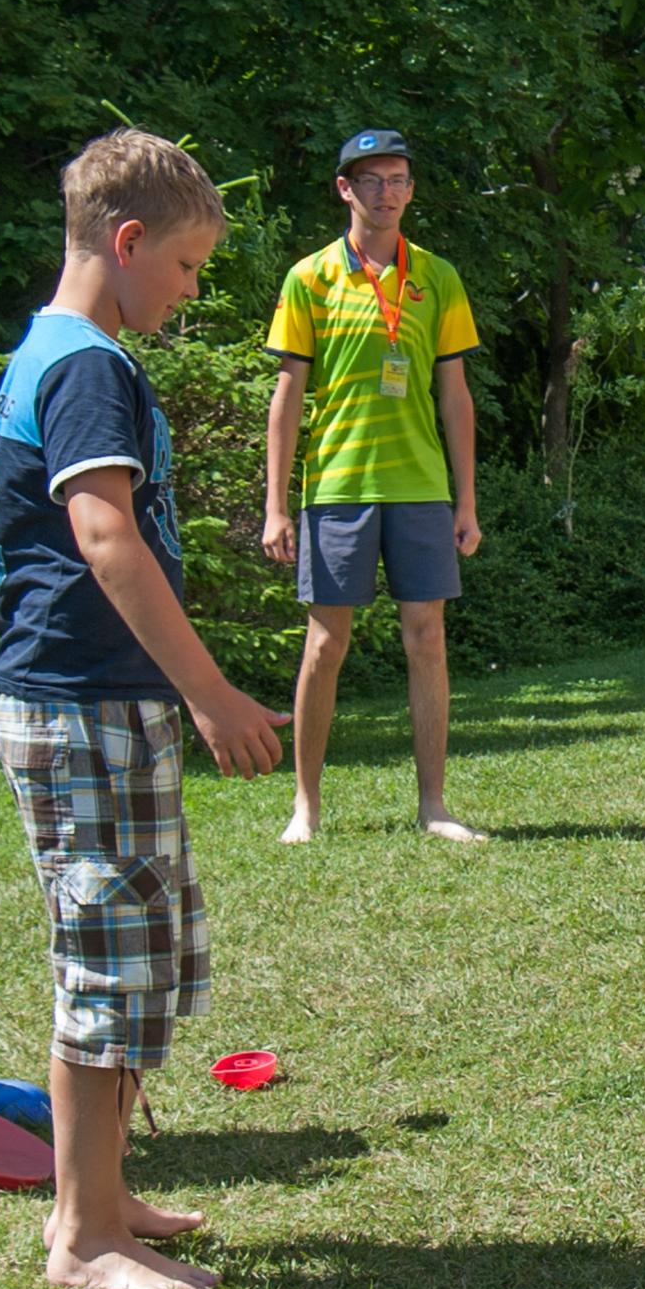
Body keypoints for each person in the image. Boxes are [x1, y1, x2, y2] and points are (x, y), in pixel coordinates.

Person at [0, 129, 289, 1289]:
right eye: (188, 265)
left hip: (101, 706)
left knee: (138, 950)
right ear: (126, 241)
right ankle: (83, 1238)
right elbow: (103, 534)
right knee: (105, 960)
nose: (192, 288)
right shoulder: (85, 366)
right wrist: (208, 693)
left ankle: (103, 1200)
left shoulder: (67, 352)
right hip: (77, 706)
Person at [261, 125, 487, 844]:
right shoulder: (311, 278)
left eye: (397, 180)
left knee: (428, 639)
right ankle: (306, 806)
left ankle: (434, 806)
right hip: (337, 488)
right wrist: (275, 505)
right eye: (370, 181)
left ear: (411, 190)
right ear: (344, 189)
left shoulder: (439, 278)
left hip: (420, 488)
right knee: (326, 645)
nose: (385, 193)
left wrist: (467, 500)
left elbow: (454, 396)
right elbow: (287, 399)